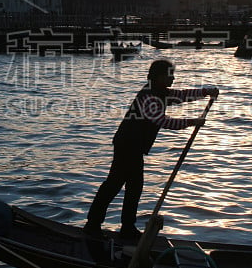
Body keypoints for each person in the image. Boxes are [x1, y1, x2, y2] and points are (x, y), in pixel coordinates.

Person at [83, 58, 219, 240]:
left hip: (135, 147)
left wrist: (205, 92)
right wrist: (192, 122)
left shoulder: (161, 92)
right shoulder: (149, 97)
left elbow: (181, 96)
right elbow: (163, 121)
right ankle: (93, 224)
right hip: (127, 145)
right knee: (114, 184)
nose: (173, 79)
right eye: (170, 76)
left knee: (135, 187)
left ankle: (127, 227)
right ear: (159, 77)